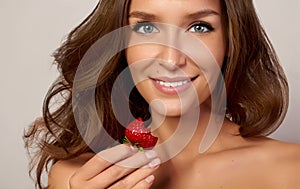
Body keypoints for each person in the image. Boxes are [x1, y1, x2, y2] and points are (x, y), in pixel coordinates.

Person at [24, 0, 300, 188]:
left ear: (230, 39)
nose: (171, 58)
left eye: (199, 27)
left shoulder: (292, 169)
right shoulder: (78, 177)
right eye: (146, 27)